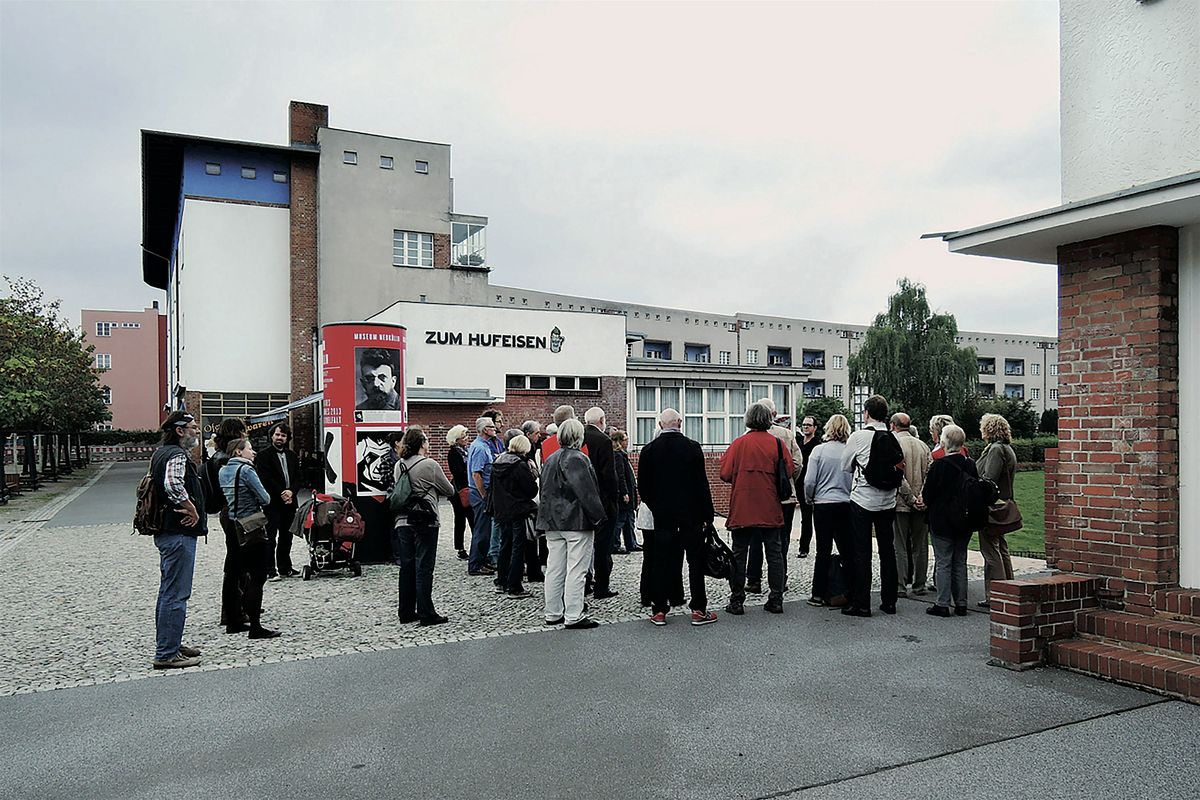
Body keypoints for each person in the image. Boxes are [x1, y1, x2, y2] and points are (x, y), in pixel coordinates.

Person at [638, 409, 717, 626]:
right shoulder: (692, 448)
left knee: (661, 560)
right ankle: (698, 609)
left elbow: (643, 488)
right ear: (680, 423)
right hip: (690, 514)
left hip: (663, 516)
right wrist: (707, 515)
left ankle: (660, 610)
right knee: (695, 562)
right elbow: (702, 485)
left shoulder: (648, 451)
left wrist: (657, 507)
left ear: (660, 424)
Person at [720, 402, 794, 615]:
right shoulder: (778, 444)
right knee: (775, 553)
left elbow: (724, 473)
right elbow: (788, 470)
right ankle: (776, 598)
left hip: (743, 506)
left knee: (739, 554)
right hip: (770, 506)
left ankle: (737, 600)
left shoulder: (739, 444)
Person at [149, 411, 206, 669]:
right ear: (180, 430)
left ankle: (171, 642)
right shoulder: (175, 455)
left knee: (168, 592)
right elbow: (173, 485)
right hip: (178, 531)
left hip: (168, 532)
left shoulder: (160, 453)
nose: (197, 431)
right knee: (176, 593)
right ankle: (167, 653)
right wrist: (191, 507)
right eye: (193, 427)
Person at [536, 419, 606, 630]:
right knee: (577, 569)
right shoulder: (578, 459)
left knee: (555, 568)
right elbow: (587, 493)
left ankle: (553, 611)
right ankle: (574, 613)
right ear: (579, 436)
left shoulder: (551, 459)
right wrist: (599, 517)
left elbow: (544, 492)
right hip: (575, 521)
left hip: (553, 522)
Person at [840, 394, 901, 617]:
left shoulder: (858, 436)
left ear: (866, 413)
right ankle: (889, 601)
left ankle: (862, 603)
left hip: (863, 499)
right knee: (887, 550)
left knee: (862, 552)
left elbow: (845, 466)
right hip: (888, 500)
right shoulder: (892, 437)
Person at [219, 437, 281, 639]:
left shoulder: (223, 470)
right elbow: (265, 498)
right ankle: (255, 626)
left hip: (233, 526)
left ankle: (233, 622)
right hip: (251, 525)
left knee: (235, 573)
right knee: (258, 576)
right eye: (250, 448)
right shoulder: (246, 470)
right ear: (238, 452)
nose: (253, 452)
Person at [393, 426, 455, 625]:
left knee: (407, 566)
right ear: (422, 443)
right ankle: (426, 613)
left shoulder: (399, 465)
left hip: (402, 520)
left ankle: (406, 611)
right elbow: (449, 490)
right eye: (427, 441)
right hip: (425, 519)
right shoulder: (429, 465)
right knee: (424, 567)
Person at [745, 397, 802, 594]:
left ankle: (753, 579)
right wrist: (785, 479)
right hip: (784, 497)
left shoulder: (747, 437)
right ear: (774, 415)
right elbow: (797, 463)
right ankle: (780, 579)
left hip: (757, 497)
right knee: (781, 540)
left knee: (755, 539)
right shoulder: (786, 435)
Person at [921, 424, 975, 617]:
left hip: (942, 519)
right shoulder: (970, 464)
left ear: (944, 443)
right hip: (964, 519)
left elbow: (928, 494)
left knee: (943, 561)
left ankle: (942, 603)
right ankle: (961, 603)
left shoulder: (940, 466)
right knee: (960, 561)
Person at [803, 414, 853, 607]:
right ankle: (849, 590)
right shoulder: (850, 451)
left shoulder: (819, 451)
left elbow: (809, 481)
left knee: (822, 550)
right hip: (845, 503)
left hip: (823, 503)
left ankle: (817, 593)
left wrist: (809, 499)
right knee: (846, 549)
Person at [205, 417, 248, 629]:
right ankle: (232, 612)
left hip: (228, 510)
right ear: (236, 434)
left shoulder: (218, 456)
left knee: (238, 560)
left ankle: (240, 606)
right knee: (235, 562)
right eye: (243, 432)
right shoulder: (225, 460)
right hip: (233, 511)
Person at [977, 413, 1021, 608]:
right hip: (1004, 503)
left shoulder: (995, 450)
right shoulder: (1007, 448)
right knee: (1001, 548)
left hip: (993, 506)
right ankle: (1008, 590)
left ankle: (996, 594)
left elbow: (989, 479)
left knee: (990, 550)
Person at [491, 434, 540, 598]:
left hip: (501, 510)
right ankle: (514, 585)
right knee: (518, 548)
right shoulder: (519, 465)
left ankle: (502, 580)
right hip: (518, 509)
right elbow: (532, 490)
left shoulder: (498, 462)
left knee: (505, 545)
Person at [891, 413, 931, 597]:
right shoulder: (923, 445)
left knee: (899, 544)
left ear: (893, 425)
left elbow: (897, 475)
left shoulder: (894, 443)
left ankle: (900, 584)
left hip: (900, 502)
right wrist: (921, 496)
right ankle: (919, 584)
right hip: (922, 503)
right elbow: (930, 474)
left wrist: (911, 498)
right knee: (920, 544)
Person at [253, 423, 300, 580]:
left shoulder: (292, 455)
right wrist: (282, 492)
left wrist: (291, 491)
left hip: (290, 502)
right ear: (271, 436)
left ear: (287, 438)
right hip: (272, 502)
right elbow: (265, 478)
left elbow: (299, 477)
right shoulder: (263, 455)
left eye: (283, 435)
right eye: (277, 435)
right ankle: (270, 570)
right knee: (270, 537)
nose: (280, 438)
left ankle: (285, 567)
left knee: (287, 537)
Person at [583, 406, 618, 599]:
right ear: (602, 420)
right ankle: (602, 586)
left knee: (585, 545)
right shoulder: (604, 440)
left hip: (584, 498)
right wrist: (614, 499)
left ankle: (586, 582)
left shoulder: (580, 436)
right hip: (603, 500)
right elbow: (608, 475)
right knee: (603, 546)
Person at [466, 417, 499, 576]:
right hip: (480, 493)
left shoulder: (480, 445)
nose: (495, 429)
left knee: (484, 529)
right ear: (485, 429)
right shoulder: (480, 448)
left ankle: (481, 561)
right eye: (492, 427)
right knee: (482, 529)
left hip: (480, 492)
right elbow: (476, 474)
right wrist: (485, 496)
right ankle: (476, 564)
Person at [446, 425, 473, 561]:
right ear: (456, 439)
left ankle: (474, 546)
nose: (467, 439)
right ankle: (460, 548)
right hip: (460, 490)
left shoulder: (466, 451)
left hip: (466, 487)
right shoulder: (454, 453)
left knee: (472, 519)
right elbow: (457, 472)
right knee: (461, 520)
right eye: (464, 437)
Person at [796, 415, 822, 558]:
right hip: (799, 481)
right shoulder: (798, 441)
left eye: (808, 425)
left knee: (811, 516)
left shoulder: (817, 444)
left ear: (814, 428)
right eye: (804, 424)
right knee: (804, 516)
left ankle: (810, 546)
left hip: (812, 482)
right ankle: (802, 546)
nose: (805, 427)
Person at [611, 430, 641, 553]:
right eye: (625, 439)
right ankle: (615, 544)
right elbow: (620, 475)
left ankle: (631, 543)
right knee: (621, 519)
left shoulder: (622, 454)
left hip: (629, 490)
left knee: (629, 519)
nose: (627, 442)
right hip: (625, 492)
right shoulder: (618, 455)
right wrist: (624, 492)